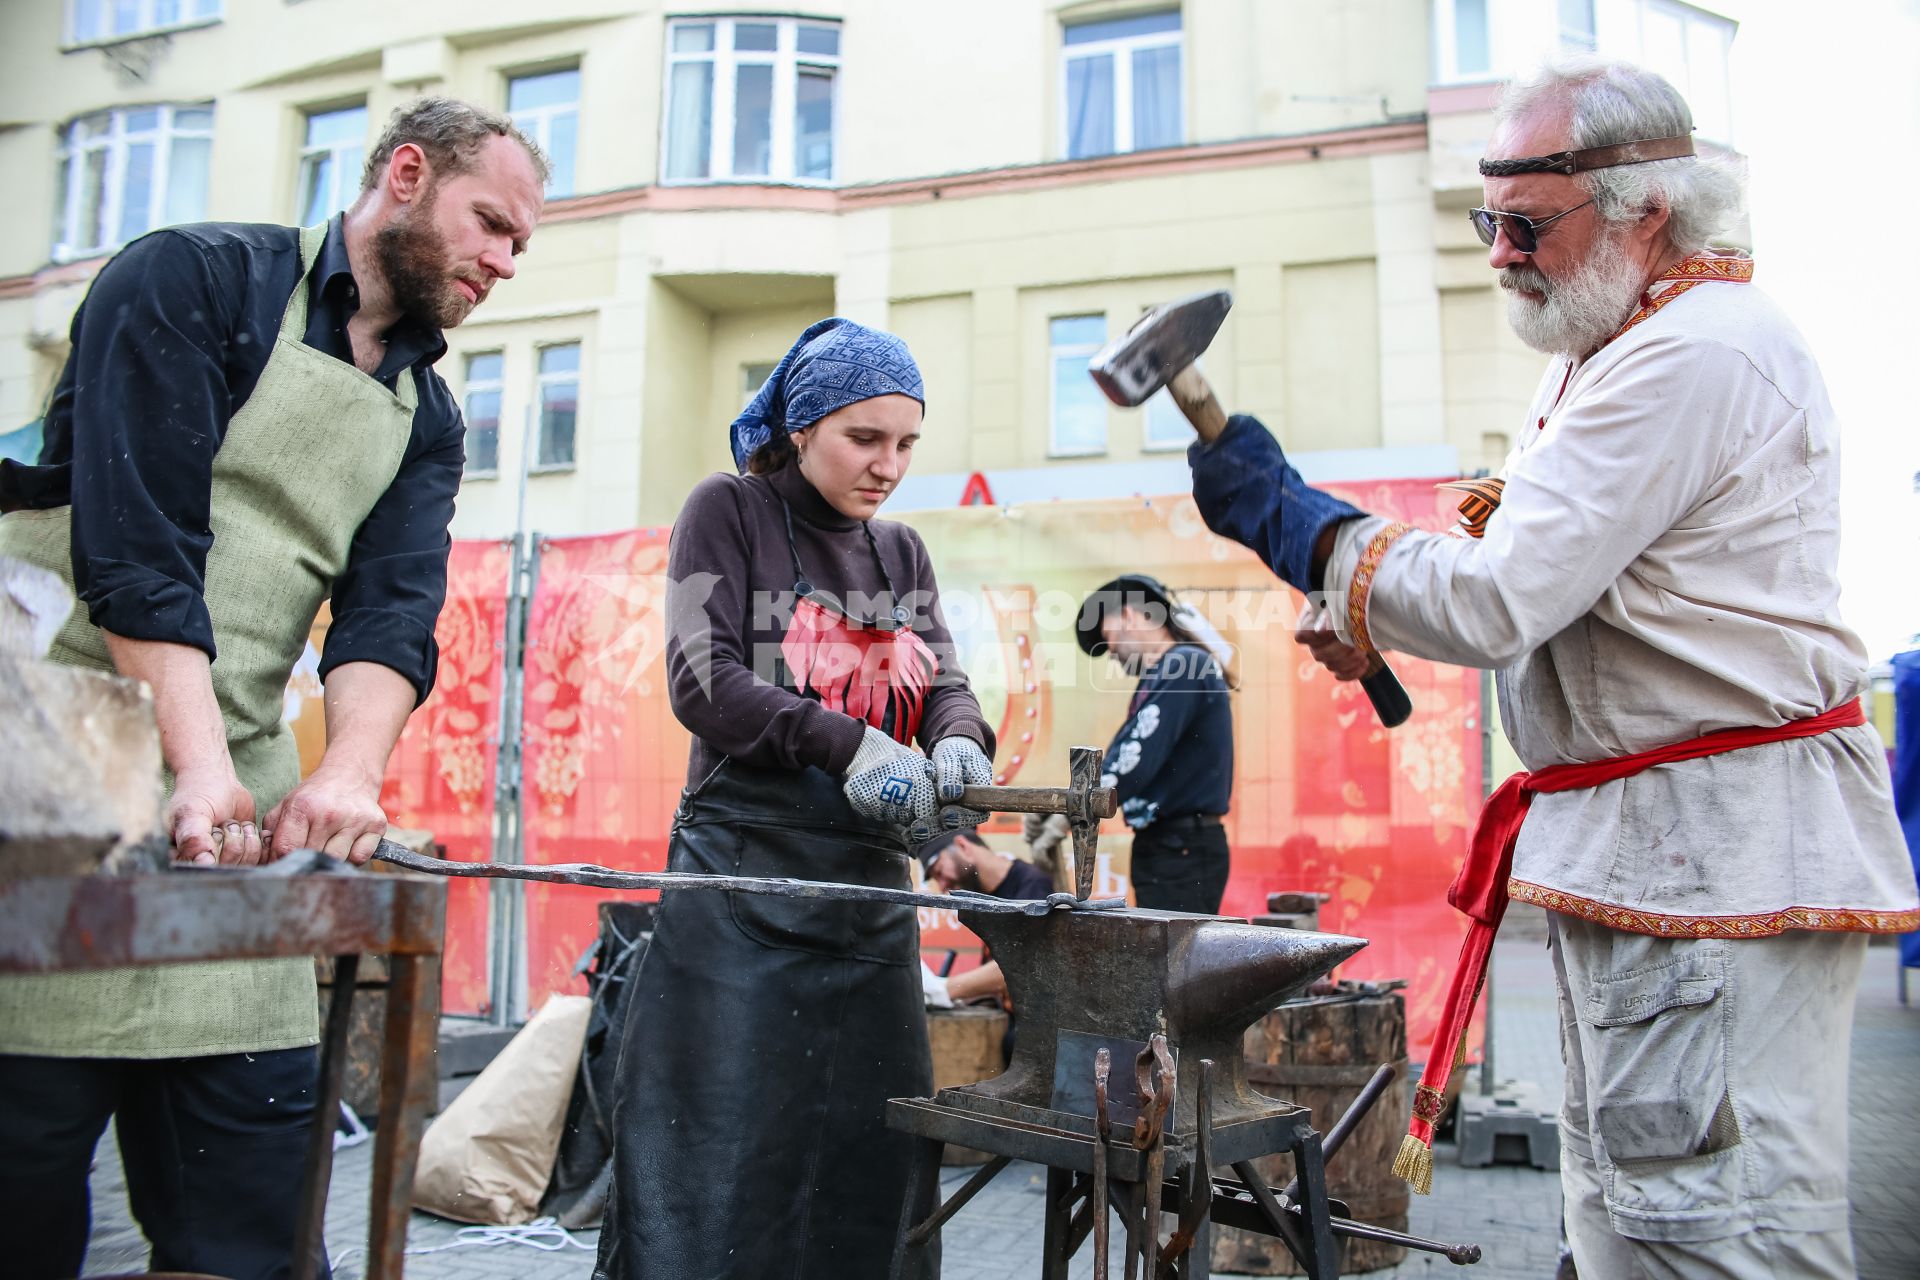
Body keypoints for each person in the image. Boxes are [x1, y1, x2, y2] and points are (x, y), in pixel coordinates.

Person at [1186, 58, 1918, 1277]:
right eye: (1492, 221)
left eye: (1528, 224)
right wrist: (1369, 601)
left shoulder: (1698, 353)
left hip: (1710, 856)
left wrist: (1297, 523)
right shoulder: (1607, 346)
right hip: (1663, 849)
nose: (1500, 254)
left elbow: (1502, 592)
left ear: (1649, 208)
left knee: (1713, 1229)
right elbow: (1558, 588)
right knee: (1640, 1208)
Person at [0, 98, 545, 1279]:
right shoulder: (190, 279)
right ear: (405, 174)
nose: (504, 262)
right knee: (22, 1175)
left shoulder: (428, 418)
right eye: (491, 225)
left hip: (232, 774)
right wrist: (192, 769)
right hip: (45, 763)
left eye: (519, 246)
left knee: (256, 1220)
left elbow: (391, 614)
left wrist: (346, 771)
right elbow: (136, 553)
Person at [595, 318, 996, 1280]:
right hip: (741, 904)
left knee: (872, 1166)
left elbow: (944, 679)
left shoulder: (902, 553)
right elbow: (704, 679)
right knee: (725, 1169)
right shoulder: (725, 512)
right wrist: (847, 740)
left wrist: (958, 738)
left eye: (906, 443)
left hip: (870, 911)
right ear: (804, 424)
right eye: (865, 438)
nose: (888, 465)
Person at [1075, 573, 1235, 913]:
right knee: (1168, 961)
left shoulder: (1184, 665)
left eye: (1109, 637)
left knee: (1174, 964)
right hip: (1171, 847)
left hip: (1182, 849)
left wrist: (1074, 802)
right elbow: (1128, 751)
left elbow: (1136, 760)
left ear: (1128, 616)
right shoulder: (1170, 671)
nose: (1113, 652)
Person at [918, 828, 1052, 1009]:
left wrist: (945, 989)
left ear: (963, 846)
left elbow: (1023, 963)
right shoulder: (988, 898)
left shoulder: (1034, 886)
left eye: (939, 872)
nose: (942, 886)